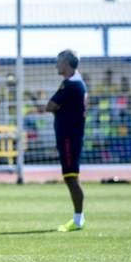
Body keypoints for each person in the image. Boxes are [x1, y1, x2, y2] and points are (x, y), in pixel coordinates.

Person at [45, 49, 87, 232]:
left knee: (71, 177)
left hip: (70, 137)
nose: (56, 64)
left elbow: (50, 106)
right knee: (70, 177)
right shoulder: (77, 82)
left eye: (59, 61)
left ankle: (78, 220)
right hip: (69, 136)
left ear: (67, 63)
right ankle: (78, 219)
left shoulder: (70, 85)